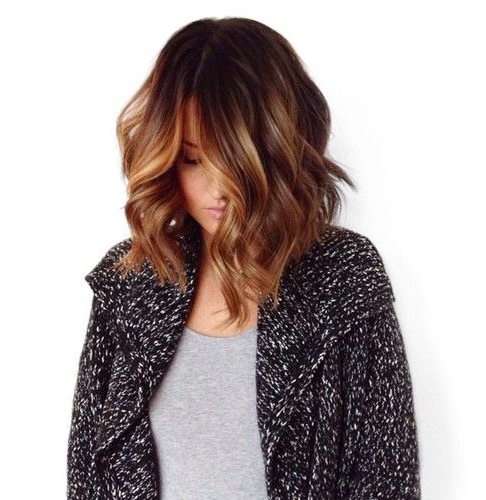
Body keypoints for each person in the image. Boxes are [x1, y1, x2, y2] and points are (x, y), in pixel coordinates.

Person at [67, 16, 421, 499]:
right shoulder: (130, 284)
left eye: (234, 157)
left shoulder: (344, 278)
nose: (217, 189)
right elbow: (87, 476)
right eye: (193, 159)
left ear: (277, 147)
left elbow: (387, 479)